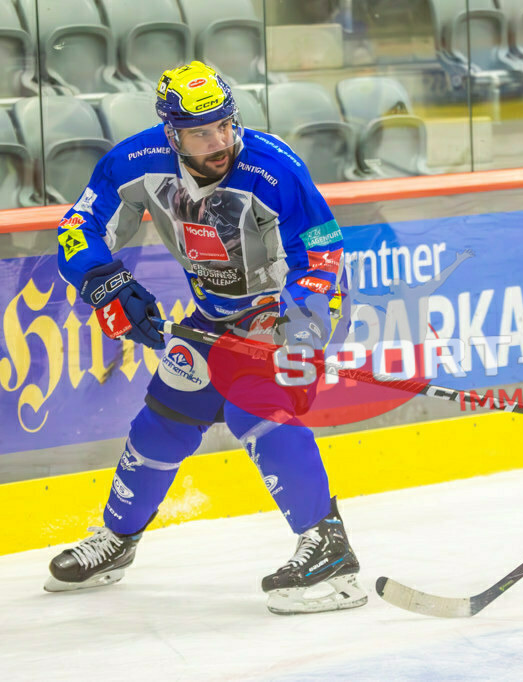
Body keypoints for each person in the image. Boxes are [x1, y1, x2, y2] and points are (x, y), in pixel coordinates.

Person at [48, 61, 366, 615]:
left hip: (281, 310)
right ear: (172, 133)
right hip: (212, 317)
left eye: (224, 124)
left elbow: (322, 254)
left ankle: (330, 550)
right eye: (200, 132)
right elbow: (79, 229)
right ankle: (118, 542)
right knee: (162, 422)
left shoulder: (273, 169)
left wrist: (296, 325)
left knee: (254, 410)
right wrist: (109, 285)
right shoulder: (136, 162)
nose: (218, 141)